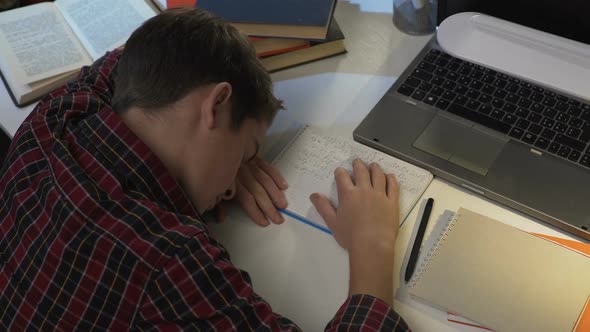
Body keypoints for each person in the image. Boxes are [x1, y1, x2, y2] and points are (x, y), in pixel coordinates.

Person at [0, 8, 410, 331]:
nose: (234, 184)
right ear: (214, 106)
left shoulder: (51, 121)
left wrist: (218, 149)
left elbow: (131, 56)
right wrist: (373, 246)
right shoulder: (170, 262)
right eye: (247, 152)